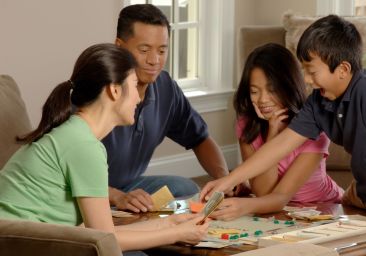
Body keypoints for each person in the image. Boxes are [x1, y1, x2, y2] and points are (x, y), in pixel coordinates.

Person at [201, 15, 366, 233]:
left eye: (312, 71)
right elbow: (279, 147)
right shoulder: (318, 102)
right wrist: (228, 180)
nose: (307, 80)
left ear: (342, 69)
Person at [0, 43, 209, 254]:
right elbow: (105, 239)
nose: (138, 97)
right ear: (114, 90)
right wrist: (178, 234)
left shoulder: (76, 134)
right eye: (134, 85)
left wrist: (171, 223)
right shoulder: (83, 146)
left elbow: (100, 232)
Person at [103, 3, 231, 213]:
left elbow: (200, 138)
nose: (154, 60)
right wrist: (117, 197)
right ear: (119, 46)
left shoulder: (165, 87)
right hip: (89, 192)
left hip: (129, 185)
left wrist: (225, 180)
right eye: (144, 50)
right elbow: (68, 174)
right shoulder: (97, 91)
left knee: (186, 188)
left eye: (162, 50)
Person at [210, 43, 343, 221]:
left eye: (272, 90)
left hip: (323, 208)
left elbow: (279, 196)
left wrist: (243, 205)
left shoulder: (314, 128)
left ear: (289, 86)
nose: (263, 100)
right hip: (279, 212)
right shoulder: (247, 125)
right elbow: (262, 191)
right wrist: (272, 131)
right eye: (254, 91)